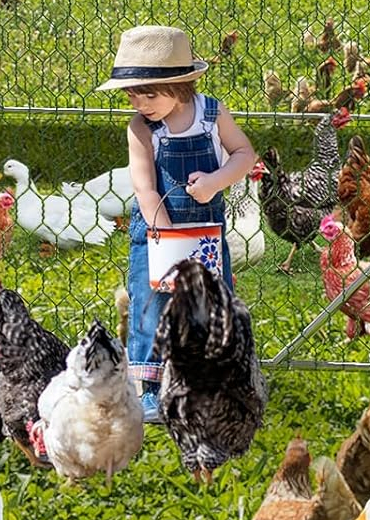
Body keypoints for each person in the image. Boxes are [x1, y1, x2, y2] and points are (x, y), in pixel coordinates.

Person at [97, 26, 255, 424]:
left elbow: (244, 154)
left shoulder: (212, 115)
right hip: (156, 233)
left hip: (205, 230)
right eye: (132, 94)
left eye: (149, 93)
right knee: (151, 308)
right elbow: (145, 188)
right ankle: (149, 391)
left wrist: (216, 182)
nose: (140, 102)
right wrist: (166, 236)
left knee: (209, 305)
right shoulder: (141, 129)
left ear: (181, 85)